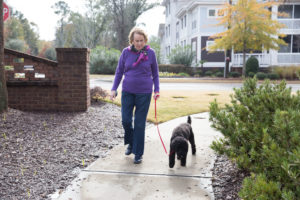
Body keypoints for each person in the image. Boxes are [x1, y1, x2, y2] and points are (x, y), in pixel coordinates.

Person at [110, 27, 160, 164]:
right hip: (127, 91)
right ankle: (131, 143)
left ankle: (138, 153)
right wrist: (114, 89)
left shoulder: (151, 53)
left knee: (139, 123)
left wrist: (157, 90)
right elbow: (119, 72)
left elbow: (155, 73)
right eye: (136, 41)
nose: (139, 43)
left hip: (144, 92)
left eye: (141, 41)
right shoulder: (126, 53)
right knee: (126, 120)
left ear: (145, 40)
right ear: (132, 40)